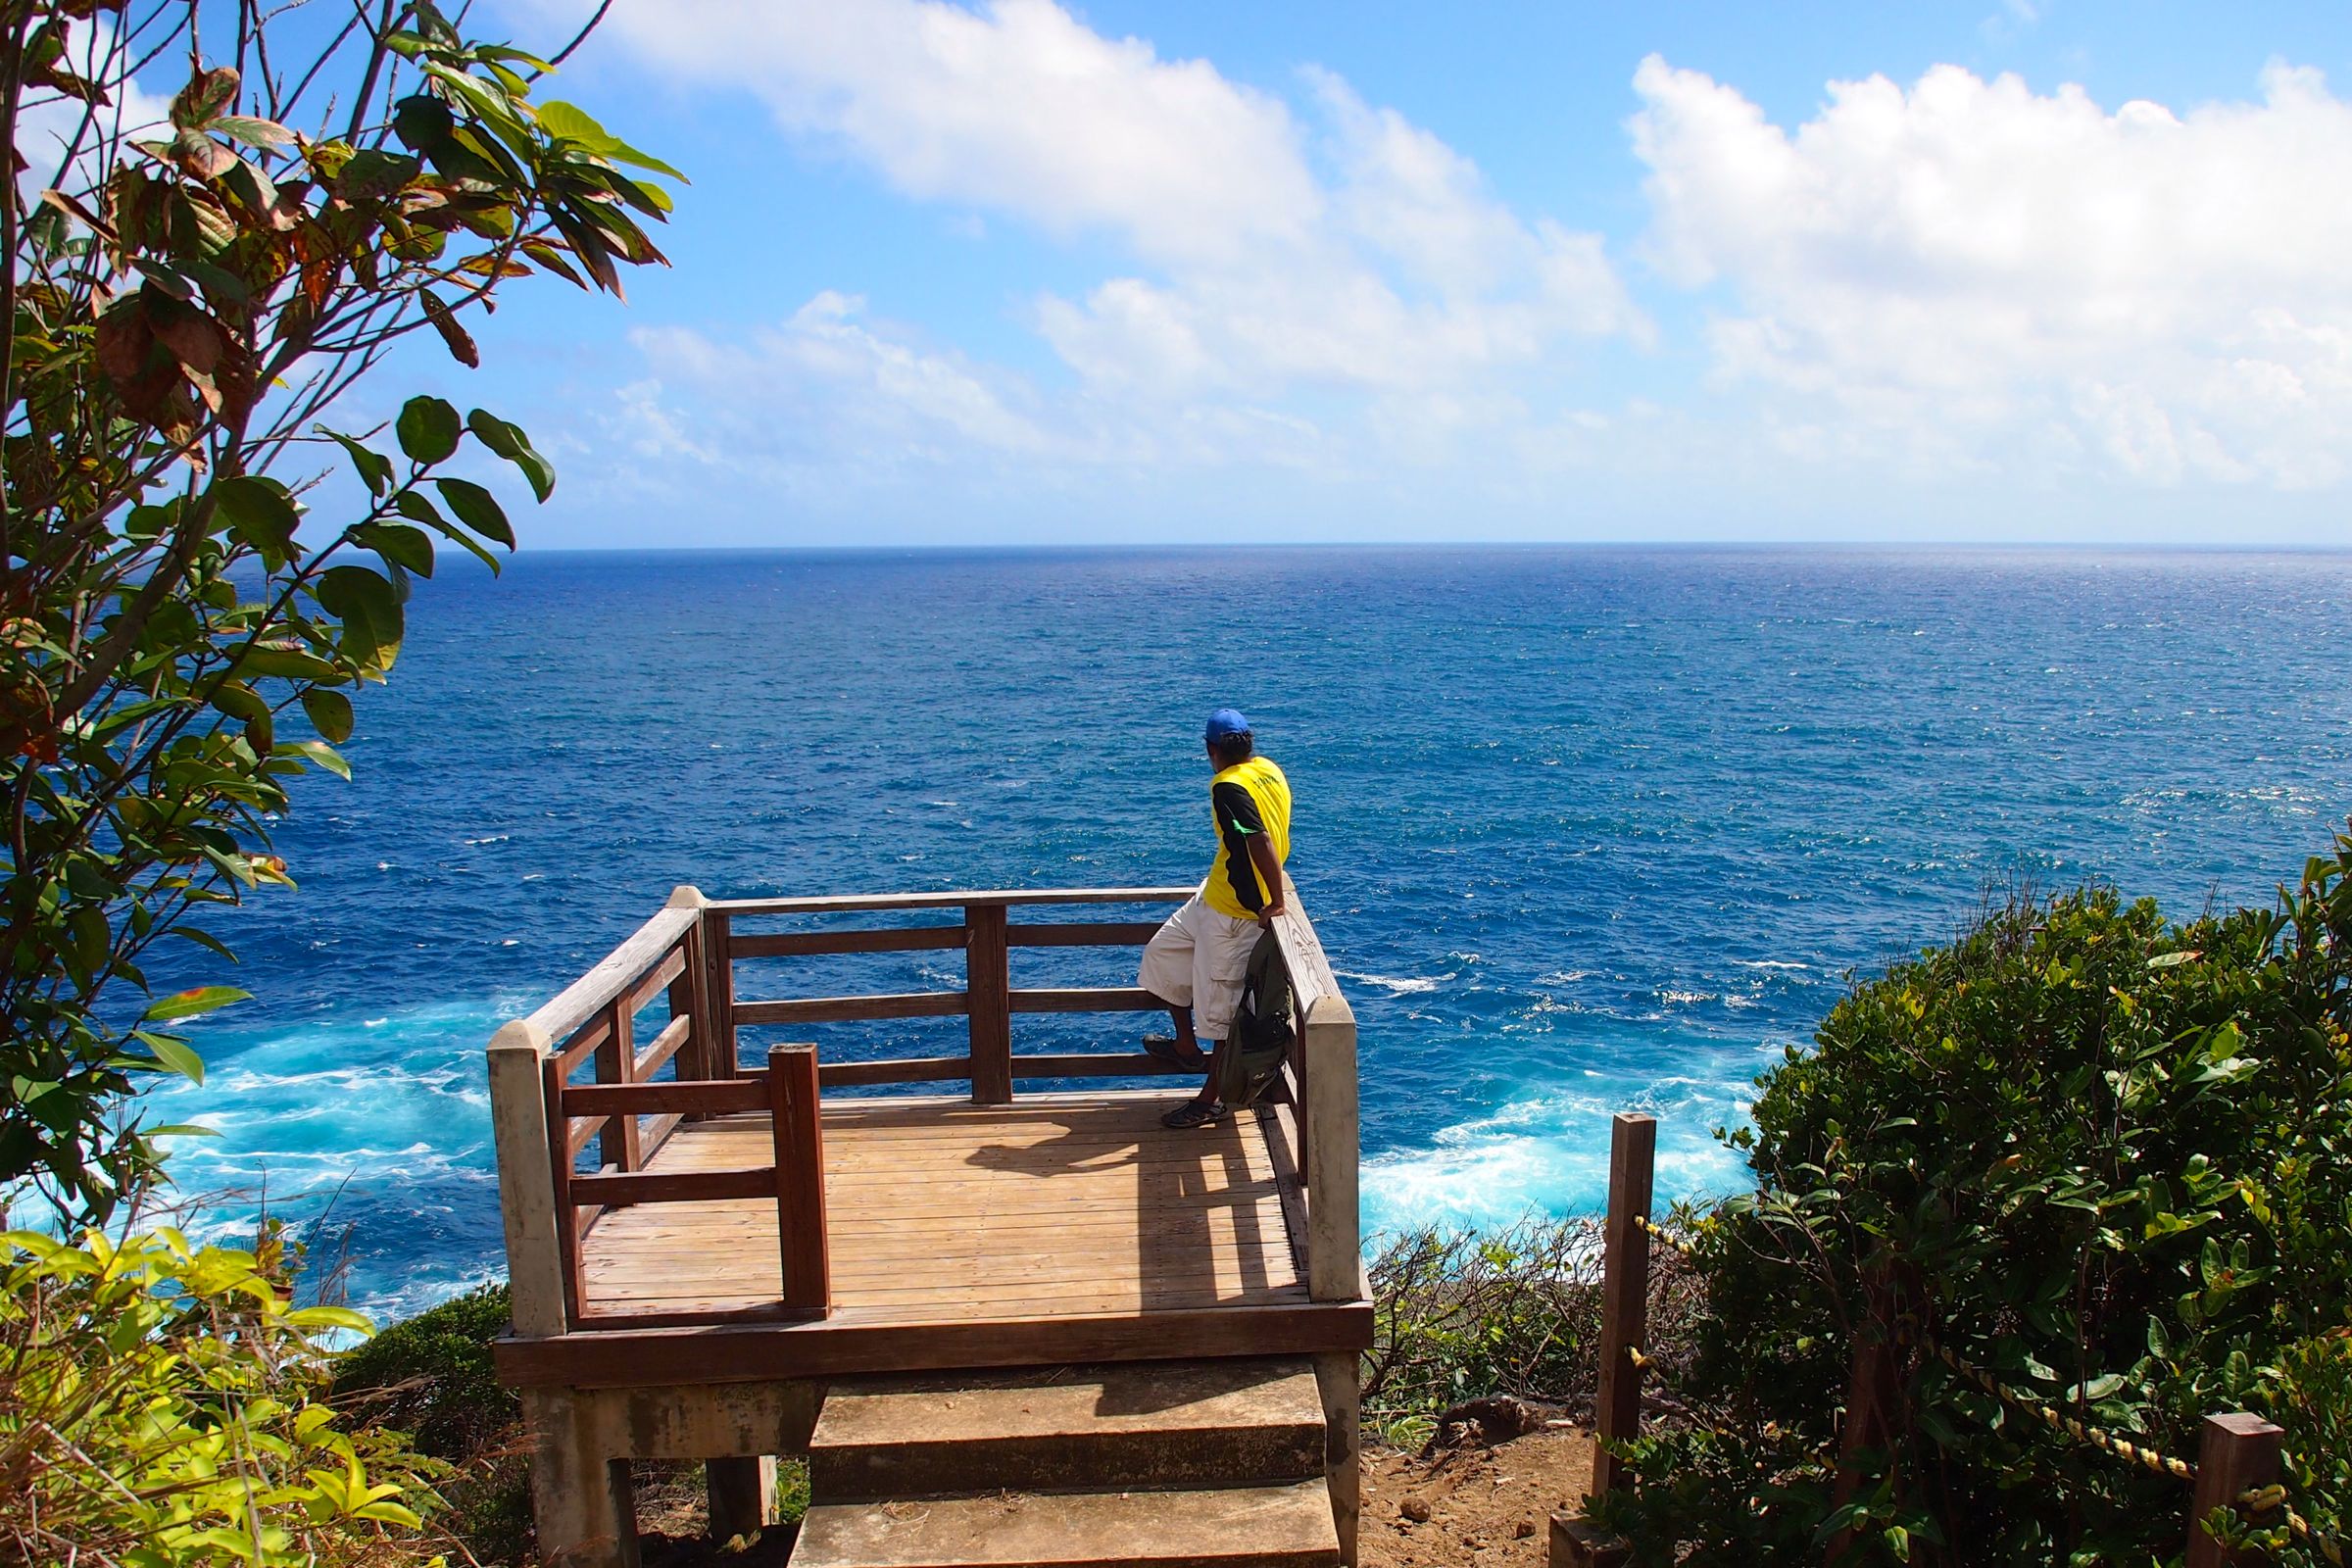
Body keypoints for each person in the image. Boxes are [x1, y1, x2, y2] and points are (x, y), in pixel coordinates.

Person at [1137, 708, 1293, 1128]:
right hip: (1213, 896)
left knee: (1222, 1016)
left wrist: (1275, 902)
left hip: (1238, 916)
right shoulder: (1267, 769)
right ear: (1249, 742)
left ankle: (1213, 1100)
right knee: (1162, 956)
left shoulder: (1227, 786)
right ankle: (1186, 1048)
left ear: (1210, 749)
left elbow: (1260, 838)